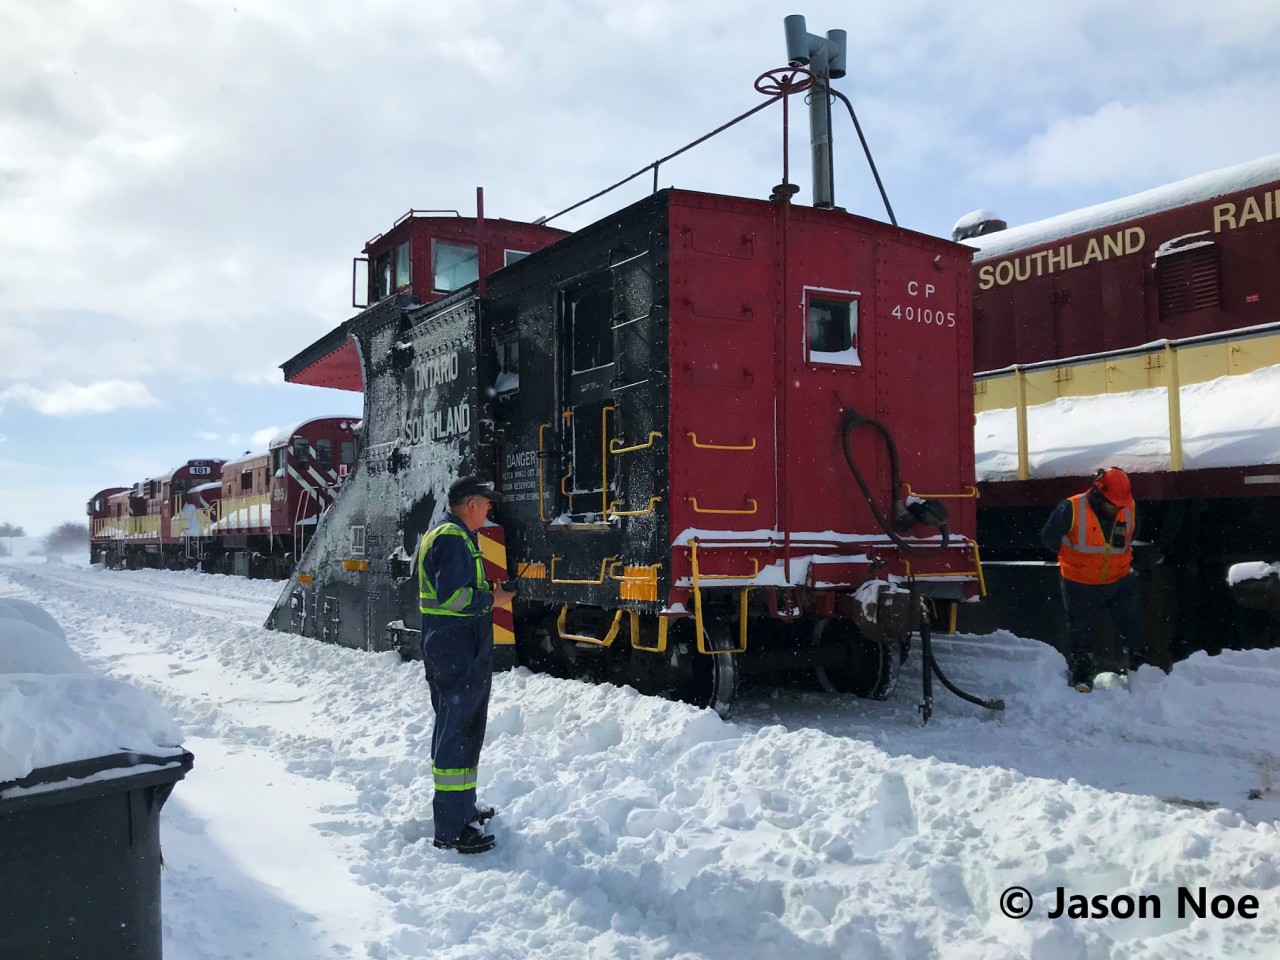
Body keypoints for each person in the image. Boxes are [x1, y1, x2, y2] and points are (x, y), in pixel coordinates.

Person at [418, 475, 516, 853]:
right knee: (456, 734)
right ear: (471, 504)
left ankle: (462, 809)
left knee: (465, 732)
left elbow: (458, 592)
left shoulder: (452, 535)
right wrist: (495, 601)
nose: (490, 509)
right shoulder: (451, 538)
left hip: (458, 649)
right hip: (455, 650)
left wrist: (493, 592)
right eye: (486, 503)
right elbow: (456, 598)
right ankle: (450, 829)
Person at [1040, 467, 1147, 692]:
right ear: (1098, 495)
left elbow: (1133, 535)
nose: (1117, 508)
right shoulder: (1071, 508)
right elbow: (1049, 539)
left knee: (1133, 627)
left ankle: (1140, 672)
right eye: (1112, 504)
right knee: (1081, 631)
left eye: (1120, 504)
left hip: (1119, 580)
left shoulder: (1129, 508)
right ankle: (1082, 675)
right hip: (1079, 582)